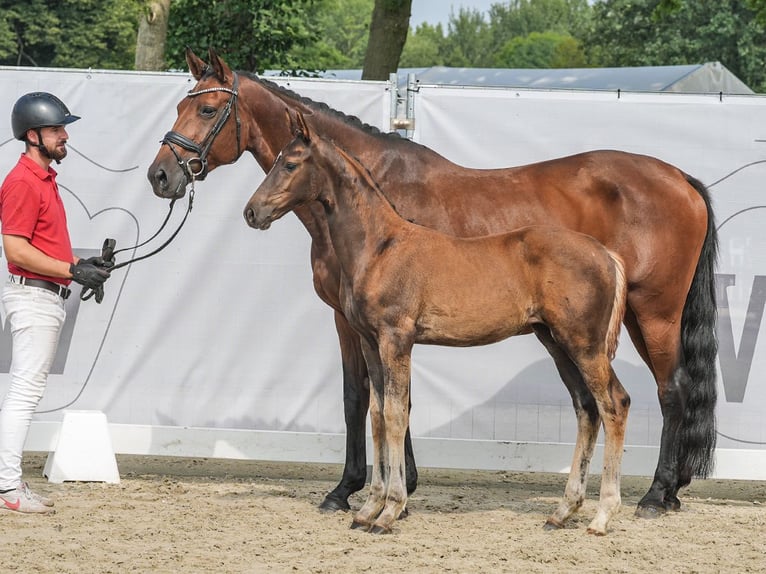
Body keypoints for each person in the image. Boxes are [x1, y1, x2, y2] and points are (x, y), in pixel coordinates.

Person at [0, 92, 112, 514]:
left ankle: (9, 484)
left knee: (25, 391)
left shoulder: (44, 179)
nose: (65, 136)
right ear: (33, 136)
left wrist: (84, 265)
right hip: (33, 295)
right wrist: (72, 271)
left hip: (44, 294)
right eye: (56, 129)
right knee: (24, 393)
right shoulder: (24, 182)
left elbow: (43, 246)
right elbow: (15, 250)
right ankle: (8, 488)